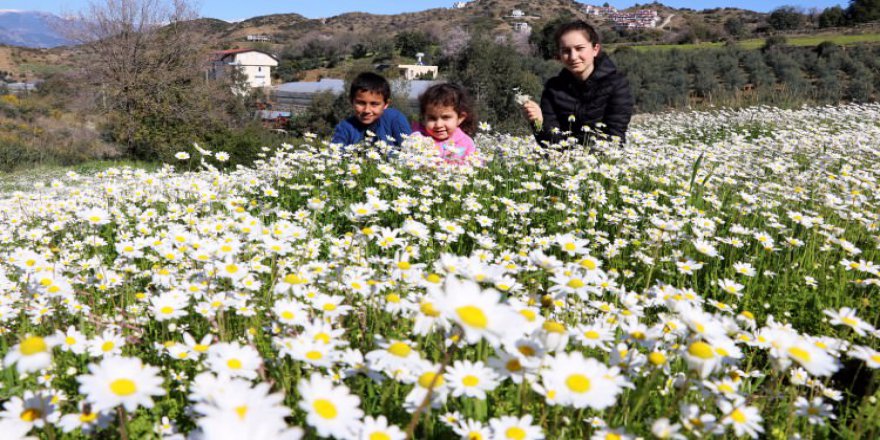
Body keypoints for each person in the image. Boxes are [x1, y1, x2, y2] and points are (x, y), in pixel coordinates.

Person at [522, 20, 634, 146]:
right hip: (563, 162)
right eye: (566, 51)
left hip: (603, 161)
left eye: (579, 48)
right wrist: (538, 123)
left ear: (595, 49)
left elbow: (614, 139)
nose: (573, 56)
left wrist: (579, 158)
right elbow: (549, 144)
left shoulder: (617, 84)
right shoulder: (553, 88)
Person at [331, 72, 412, 148]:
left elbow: (409, 150)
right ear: (351, 101)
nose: (367, 110)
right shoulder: (344, 128)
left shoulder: (394, 119)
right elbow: (336, 153)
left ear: (386, 104)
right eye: (361, 103)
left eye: (374, 104)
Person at [411, 83, 477, 164]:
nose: (438, 125)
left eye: (445, 117)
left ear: (460, 118)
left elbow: (474, 169)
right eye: (432, 118)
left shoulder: (466, 144)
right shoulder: (417, 139)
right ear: (424, 118)